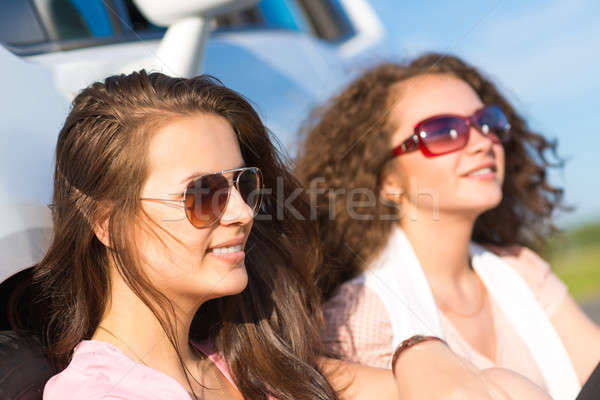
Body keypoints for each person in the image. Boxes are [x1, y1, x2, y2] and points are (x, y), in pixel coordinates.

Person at [32, 70, 549, 400]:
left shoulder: (248, 360)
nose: (241, 213)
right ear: (108, 222)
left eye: (244, 184)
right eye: (203, 194)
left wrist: (418, 348)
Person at [296, 53, 600, 400]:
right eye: (442, 132)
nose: (483, 142)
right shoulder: (360, 317)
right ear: (387, 183)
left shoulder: (521, 270)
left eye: (488, 122)